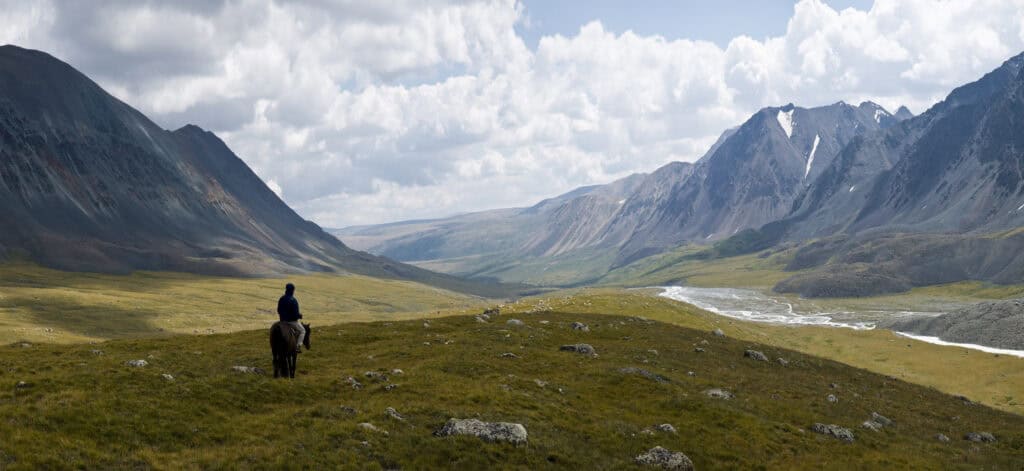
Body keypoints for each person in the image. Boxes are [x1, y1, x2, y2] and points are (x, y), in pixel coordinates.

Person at [277, 283, 305, 352]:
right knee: (302, 331)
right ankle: (298, 347)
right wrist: (300, 316)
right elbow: (295, 314)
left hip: (282, 321)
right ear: (292, 290)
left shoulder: (281, 298)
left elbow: (278, 310)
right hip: (291, 322)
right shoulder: (293, 300)